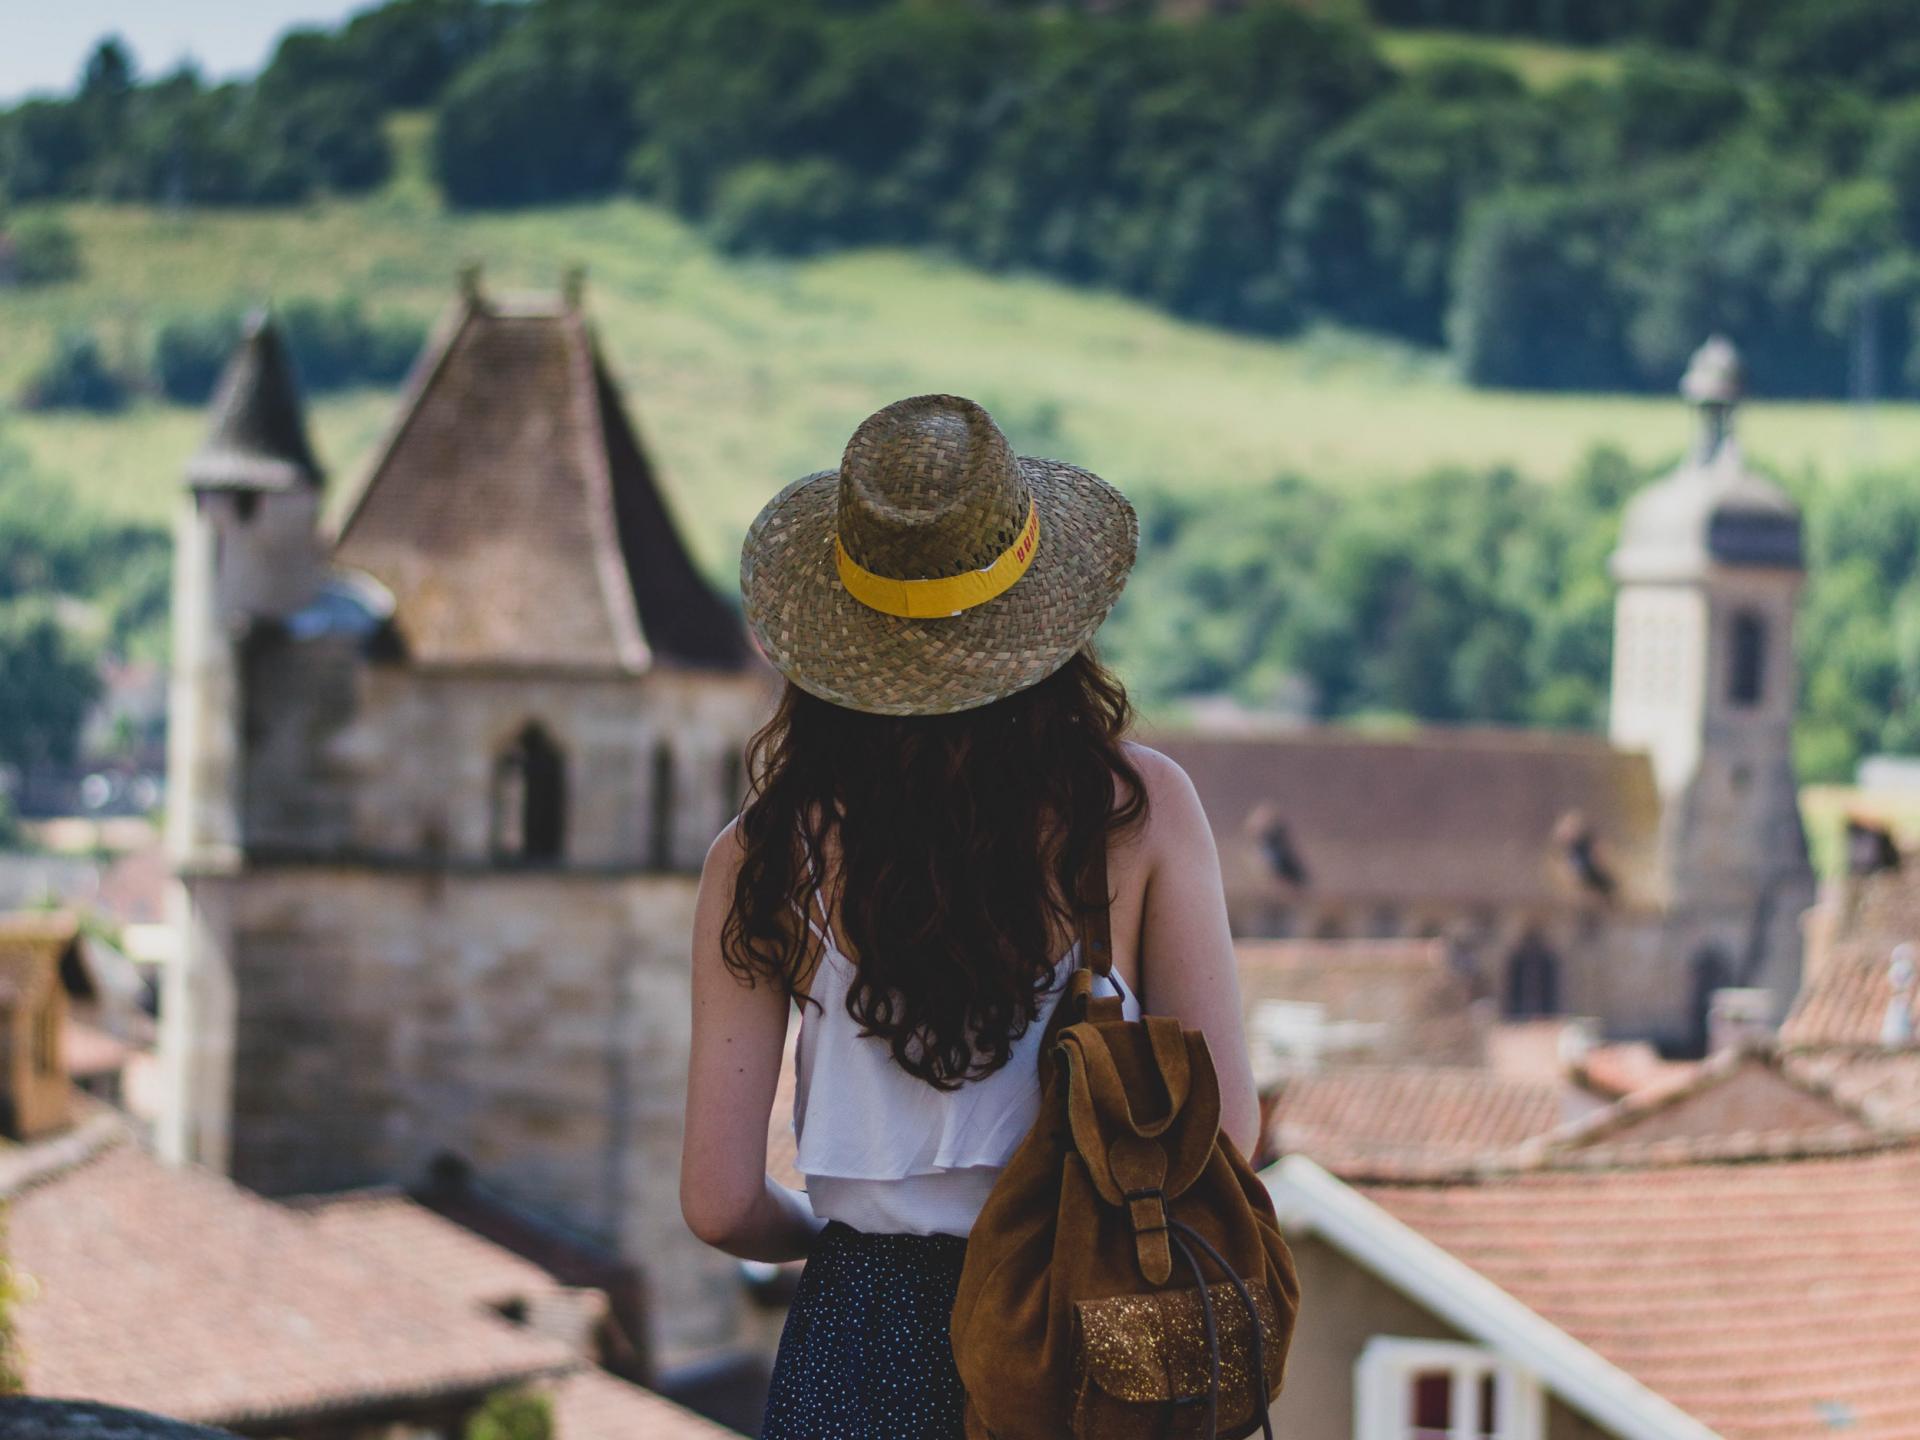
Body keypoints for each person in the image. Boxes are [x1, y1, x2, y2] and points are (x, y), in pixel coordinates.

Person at [682, 394, 1260, 1439]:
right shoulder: (1140, 813)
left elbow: (719, 1201)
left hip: (855, 1349)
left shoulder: (757, 859)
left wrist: (855, 1245)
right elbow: (1227, 1134)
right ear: (1047, 621)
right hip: (1087, 1329)